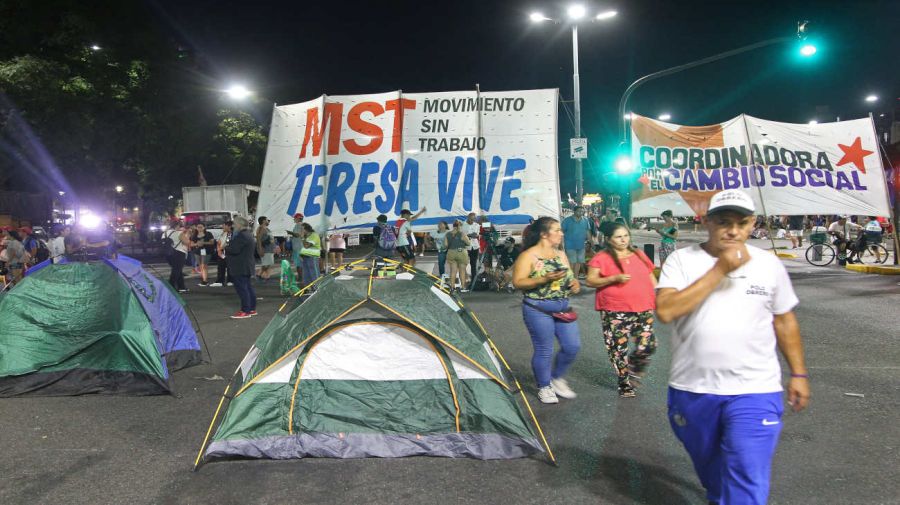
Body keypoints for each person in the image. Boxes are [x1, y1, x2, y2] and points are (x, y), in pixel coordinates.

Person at [655, 189, 810, 505]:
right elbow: (667, 310)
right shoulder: (682, 261)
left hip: (755, 389)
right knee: (712, 470)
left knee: (745, 470)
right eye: (724, 222)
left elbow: (784, 320)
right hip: (693, 389)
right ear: (707, 222)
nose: (733, 231)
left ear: (752, 224)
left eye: (742, 223)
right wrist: (720, 270)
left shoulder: (768, 265)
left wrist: (799, 373)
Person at [512, 216, 582, 404]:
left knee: (572, 346)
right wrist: (543, 279)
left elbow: (570, 279)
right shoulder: (528, 256)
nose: (561, 233)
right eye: (557, 230)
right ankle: (544, 386)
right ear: (544, 234)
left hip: (563, 307)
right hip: (537, 308)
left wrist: (574, 285)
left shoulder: (561, 254)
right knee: (544, 349)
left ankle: (557, 377)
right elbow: (518, 282)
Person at [586, 223, 657, 398]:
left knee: (647, 345)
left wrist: (659, 294)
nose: (624, 239)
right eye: (619, 236)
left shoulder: (639, 254)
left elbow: (650, 277)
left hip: (643, 307)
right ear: (609, 239)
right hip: (615, 309)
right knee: (618, 348)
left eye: (626, 235)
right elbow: (591, 280)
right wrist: (614, 278)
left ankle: (633, 369)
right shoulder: (601, 258)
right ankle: (624, 382)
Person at [225, 216, 257, 319]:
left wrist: (225, 247)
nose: (233, 226)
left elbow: (234, 250)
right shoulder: (248, 234)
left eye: (234, 224)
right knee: (247, 288)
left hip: (240, 266)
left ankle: (245, 311)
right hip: (246, 265)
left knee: (242, 289)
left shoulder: (241, 236)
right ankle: (251, 309)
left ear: (239, 224)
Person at [561, 206, 593, 279]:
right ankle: (569, 278)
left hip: (581, 245)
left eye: (582, 211)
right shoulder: (567, 220)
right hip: (569, 245)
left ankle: (575, 278)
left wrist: (591, 241)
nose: (581, 213)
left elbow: (587, 231)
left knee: (579, 262)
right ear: (574, 211)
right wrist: (561, 244)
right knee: (572, 262)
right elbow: (561, 232)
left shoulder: (585, 220)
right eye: (579, 211)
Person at [445, 219, 471, 292]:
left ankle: (452, 287)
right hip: (461, 253)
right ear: (459, 226)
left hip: (451, 252)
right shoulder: (462, 234)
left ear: (453, 226)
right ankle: (463, 287)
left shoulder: (448, 234)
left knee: (453, 271)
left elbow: (445, 245)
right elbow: (468, 243)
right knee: (462, 271)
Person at [164, 221, 190, 293]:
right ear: (177, 226)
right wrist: (187, 234)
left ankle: (181, 287)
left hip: (168, 254)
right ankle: (171, 287)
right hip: (179, 253)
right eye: (180, 226)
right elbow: (187, 242)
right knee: (176, 271)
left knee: (178, 270)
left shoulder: (165, 233)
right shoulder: (179, 233)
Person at [210, 220, 233, 287]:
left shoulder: (230, 233)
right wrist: (219, 249)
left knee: (228, 267)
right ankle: (221, 281)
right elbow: (219, 241)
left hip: (226, 252)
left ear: (229, 226)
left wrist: (220, 249)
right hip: (221, 252)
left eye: (224, 225)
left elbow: (227, 243)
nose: (223, 227)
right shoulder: (223, 233)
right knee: (221, 266)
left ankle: (229, 281)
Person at [299, 222, 321, 288]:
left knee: (314, 272)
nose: (300, 231)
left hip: (312, 257)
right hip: (305, 257)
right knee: (306, 273)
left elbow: (306, 246)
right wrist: (301, 255)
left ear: (306, 229)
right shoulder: (307, 236)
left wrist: (302, 238)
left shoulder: (314, 235)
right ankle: (308, 287)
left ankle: (317, 286)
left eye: (302, 229)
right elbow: (303, 247)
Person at [285, 213, 305, 283]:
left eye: (295, 218)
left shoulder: (299, 225)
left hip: (298, 247)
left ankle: (300, 278)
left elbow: (298, 235)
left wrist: (290, 233)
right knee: (299, 264)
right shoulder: (301, 225)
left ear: (297, 218)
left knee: (299, 264)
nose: (294, 219)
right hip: (299, 247)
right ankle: (301, 278)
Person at [463, 213, 481, 281]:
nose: (472, 220)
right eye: (471, 219)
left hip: (475, 246)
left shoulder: (477, 225)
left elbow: (476, 235)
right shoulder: (463, 225)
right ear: (468, 217)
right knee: (463, 263)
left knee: (473, 264)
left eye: (474, 219)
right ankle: (465, 278)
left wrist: (468, 235)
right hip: (466, 247)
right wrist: (470, 235)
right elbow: (462, 235)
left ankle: (474, 279)